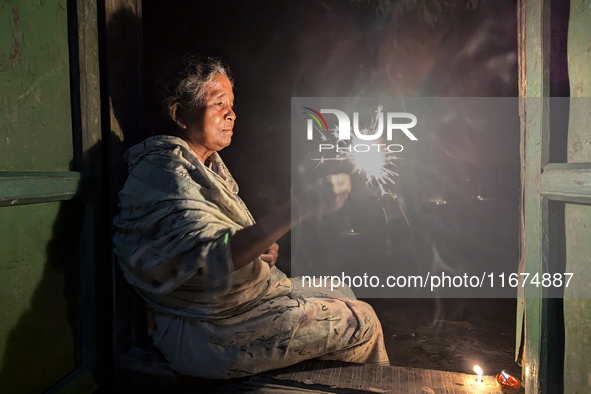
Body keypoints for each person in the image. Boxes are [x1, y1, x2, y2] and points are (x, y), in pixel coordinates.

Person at [113, 57, 389, 379]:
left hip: (237, 307)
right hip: (212, 330)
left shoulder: (203, 168)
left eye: (231, 105)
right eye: (218, 104)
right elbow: (212, 254)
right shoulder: (166, 174)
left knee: (339, 290)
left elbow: (227, 238)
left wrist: (261, 246)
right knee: (364, 320)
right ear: (179, 114)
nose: (231, 114)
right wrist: (299, 208)